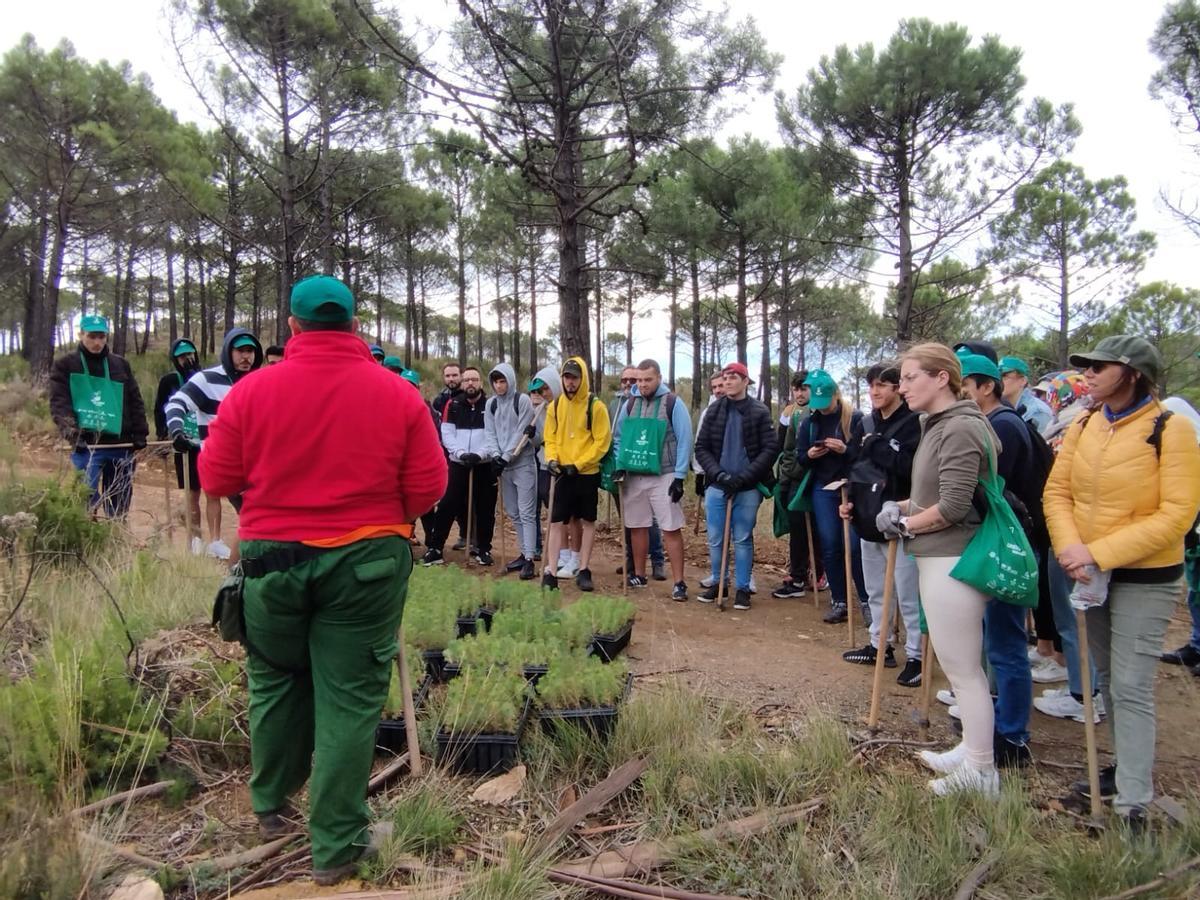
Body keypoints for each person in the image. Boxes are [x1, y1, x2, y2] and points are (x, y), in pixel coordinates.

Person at [198, 274, 447, 885]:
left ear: (293, 327)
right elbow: (429, 487)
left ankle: (272, 807)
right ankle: (336, 845)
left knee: (277, 681)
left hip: (269, 565)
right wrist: (392, 518)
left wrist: (263, 513)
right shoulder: (398, 396)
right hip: (365, 567)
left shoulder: (251, 392)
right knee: (350, 698)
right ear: (356, 326)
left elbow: (215, 474)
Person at [1045, 335, 1200, 828]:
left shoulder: (1170, 430)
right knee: (1108, 677)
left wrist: (1098, 552)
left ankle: (1134, 799)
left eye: (1099, 366)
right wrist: (1073, 549)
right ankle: (1121, 765)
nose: (1086, 374)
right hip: (1088, 571)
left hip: (1146, 576)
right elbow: (1058, 492)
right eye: (1085, 367)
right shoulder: (1086, 423)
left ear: (1132, 373)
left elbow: (1178, 513)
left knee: (1132, 684)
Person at [885, 343, 1001, 797]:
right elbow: (934, 494)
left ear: (941, 378)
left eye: (912, 377)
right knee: (960, 669)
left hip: (952, 556)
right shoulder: (938, 425)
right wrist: (901, 507)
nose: (903, 386)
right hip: (936, 553)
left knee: (964, 670)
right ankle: (972, 750)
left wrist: (905, 524)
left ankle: (981, 771)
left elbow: (952, 507)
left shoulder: (958, 429)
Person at [959, 353, 1037, 768]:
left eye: (963, 384)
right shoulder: (990, 423)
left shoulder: (1002, 426)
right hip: (991, 543)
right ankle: (994, 719)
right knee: (995, 641)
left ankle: (1012, 735)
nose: (957, 393)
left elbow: (989, 491)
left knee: (1007, 645)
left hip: (1005, 546)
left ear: (986, 387)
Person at [840, 361, 923, 688]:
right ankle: (880, 645)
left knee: (908, 592)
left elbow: (908, 468)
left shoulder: (915, 423)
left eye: (883, 385)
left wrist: (876, 445)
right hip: (866, 516)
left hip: (902, 518)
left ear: (898, 389)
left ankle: (916, 655)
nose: (875, 391)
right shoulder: (865, 422)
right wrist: (851, 503)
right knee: (876, 589)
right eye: (872, 385)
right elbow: (854, 464)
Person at [165, 328, 264, 560]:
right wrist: (177, 430)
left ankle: (248, 559)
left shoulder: (260, 381)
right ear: (228, 352)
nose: (245, 357)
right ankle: (211, 543)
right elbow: (176, 403)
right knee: (220, 502)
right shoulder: (206, 379)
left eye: (250, 351)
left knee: (255, 515)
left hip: (253, 461)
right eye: (240, 351)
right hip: (218, 459)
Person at [694, 362, 778, 610]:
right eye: (726, 377)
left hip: (748, 486)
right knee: (716, 537)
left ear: (745, 381)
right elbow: (702, 448)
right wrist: (719, 475)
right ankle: (719, 583)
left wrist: (744, 478)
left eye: (733, 377)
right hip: (718, 485)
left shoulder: (759, 411)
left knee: (742, 537)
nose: (728, 381)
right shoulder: (715, 411)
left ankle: (743, 588)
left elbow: (770, 449)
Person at [49, 314, 148, 518]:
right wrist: (71, 433)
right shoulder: (65, 365)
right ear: (80, 335)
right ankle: (89, 542)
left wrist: (140, 433)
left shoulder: (120, 364)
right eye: (92, 336)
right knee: (85, 501)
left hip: (121, 446)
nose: (97, 342)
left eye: (102, 337)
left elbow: (134, 399)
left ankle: (116, 540)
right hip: (87, 446)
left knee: (119, 503)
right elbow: (59, 403)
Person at [610, 359, 694, 600]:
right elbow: (619, 437)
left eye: (648, 379)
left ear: (659, 378)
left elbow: (684, 439)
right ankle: (639, 574)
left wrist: (679, 476)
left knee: (670, 527)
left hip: (664, 474)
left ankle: (679, 582)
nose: (643, 384)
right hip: (634, 475)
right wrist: (620, 464)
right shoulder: (630, 405)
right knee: (637, 526)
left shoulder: (673, 403)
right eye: (639, 380)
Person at [793, 369, 868, 624]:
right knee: (831, 545)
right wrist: (811, 455)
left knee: (856, 546)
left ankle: (867, 601)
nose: (822, 409)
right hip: (823, 488)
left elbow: (865, 457)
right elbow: (800, 457)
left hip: (852, 487)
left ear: (836, 394)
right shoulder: (808, 423)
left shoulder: (855, 419)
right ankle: (839, 600)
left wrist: (845, 449)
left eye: (825, 403)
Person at [542, 357, 613, 593]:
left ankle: (583, 569)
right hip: (562, 472)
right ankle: (551, 571)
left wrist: (580, 464)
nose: (570, 382)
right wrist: (551, 459)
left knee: (588, 520)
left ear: (582, 378)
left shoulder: (596, 406)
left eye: (574, 377)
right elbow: (550, 437)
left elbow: (602, 442)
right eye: (567, 377)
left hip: (586, 473)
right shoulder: (555, 406)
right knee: (556, 522)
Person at [423, 367, 497, 566]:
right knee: (447, 504)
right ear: (462, 384)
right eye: (466, 380)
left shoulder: (491, 405)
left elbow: (493, 436)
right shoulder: (453, 405)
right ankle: (436, 548)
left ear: (481, 382)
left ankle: (483, 549)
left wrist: (480, 454)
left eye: (474, 379)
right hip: (459, 462)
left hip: (484, 464)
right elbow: (447, 434)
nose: (470, 384)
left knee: (485, 508)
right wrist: (461, 453)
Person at [611, 365, 666, 580]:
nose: (628, 384)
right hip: (623, 467)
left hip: (648, 468)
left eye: (633, 380)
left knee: (648, 520)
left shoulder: (650, 402)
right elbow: (615, 435)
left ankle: (658, 561)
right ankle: (631, 560)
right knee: (628, 519)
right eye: (625, 379)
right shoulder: (617, 404)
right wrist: (617, 464)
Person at [485, 363, 539, 579]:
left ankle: (529, 559)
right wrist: (495, 455)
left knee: (527, 512)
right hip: (504, 467)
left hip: (523, 464)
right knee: (513, 511)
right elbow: (490, 432)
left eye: (503, 381)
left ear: (510, 380)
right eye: (496, 382)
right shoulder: (491, 405)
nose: (499, 386)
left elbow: (521, 434)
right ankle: (524, 551)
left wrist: (506, 457)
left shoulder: (522, 401)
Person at [774, 370, 823, 599]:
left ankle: (819, 572)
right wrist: (786, 474)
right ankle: (798, 575)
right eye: (796, 389)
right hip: (794, 476)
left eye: (804, 389)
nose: (800, 393)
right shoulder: (789, 413)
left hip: (817, 478)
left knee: (817, 528)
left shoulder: (821, 411)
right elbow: (785, 446)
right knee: (797, 527)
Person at [154, 338, 203, 550]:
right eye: (183, 357)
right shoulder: (169, 380)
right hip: (183, 442)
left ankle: (213, 538)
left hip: (204, 440)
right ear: (175, 359)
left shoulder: (203, 377)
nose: (187, 359)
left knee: (212, 492)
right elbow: (160, 409)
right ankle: (195, 538)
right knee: (191, 493)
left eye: (190, 355)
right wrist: (163, 436)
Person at [527, 366, 562, 561]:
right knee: (542, 496)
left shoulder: (563, 406)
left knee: (559, 508)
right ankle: (540, 547)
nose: (540, 394)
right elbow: (539, 440)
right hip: (543, 461)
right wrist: (533, 437)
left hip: (563, 463)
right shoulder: (539, 410)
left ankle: (565, 553)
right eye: (536, 391)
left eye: (543, 389)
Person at [432, 362, 468, 550]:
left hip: (465, 455)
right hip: (444, 454)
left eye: (455, 375)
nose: (451, 379)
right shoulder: (439, 400)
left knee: (464, 498)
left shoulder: (468, 396)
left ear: (460, 376)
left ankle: (468, 535)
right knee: (449, 496)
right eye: (448, 376)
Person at [999, 356, 1054, 433]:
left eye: (1004, 376)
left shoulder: (1037, 411)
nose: (999, 381)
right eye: (997, 376)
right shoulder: (1002, 408)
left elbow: (1041, 444)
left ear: (1023, 381)